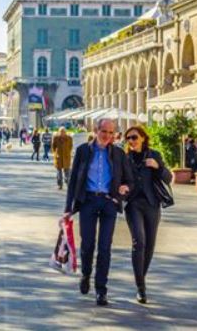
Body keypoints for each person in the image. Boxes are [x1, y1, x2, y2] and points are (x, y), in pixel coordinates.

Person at [63, 118, 132, 307]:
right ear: (96, 130)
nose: (108, 136)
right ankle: (86, 273)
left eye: (112, 133)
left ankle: (101, 290)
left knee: (105, 247)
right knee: (87, 243)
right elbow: (74, 180)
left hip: (109, 202)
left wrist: (123, 190)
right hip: (88, 201)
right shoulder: (83, 151)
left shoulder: (118, 153)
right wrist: (68, 209)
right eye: (105, 132)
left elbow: (129, 180)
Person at [123, 125, 172, 305]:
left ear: (143, 137)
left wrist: (157, 167)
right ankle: (141, 288)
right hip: (133, 204)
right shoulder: (125, 158)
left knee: (150, 246)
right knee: (139, 242)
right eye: (128, 138)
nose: (131, 141)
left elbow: (168, 178)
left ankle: (140, 279)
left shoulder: (154, 155)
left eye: (134, 137)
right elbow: (118, 179)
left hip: (152, 204)